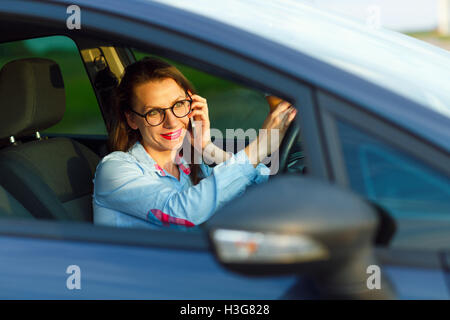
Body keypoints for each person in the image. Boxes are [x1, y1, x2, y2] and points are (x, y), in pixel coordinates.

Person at [92, 57, 297, 230]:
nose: (172, 122)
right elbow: (182, 214)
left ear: (193, 104)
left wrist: (208, 148)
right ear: (131, 119)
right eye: (154, 112)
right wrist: (259, 148)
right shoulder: (115, 169)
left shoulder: (189, 165)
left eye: (178, 105)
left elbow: (262, 188)